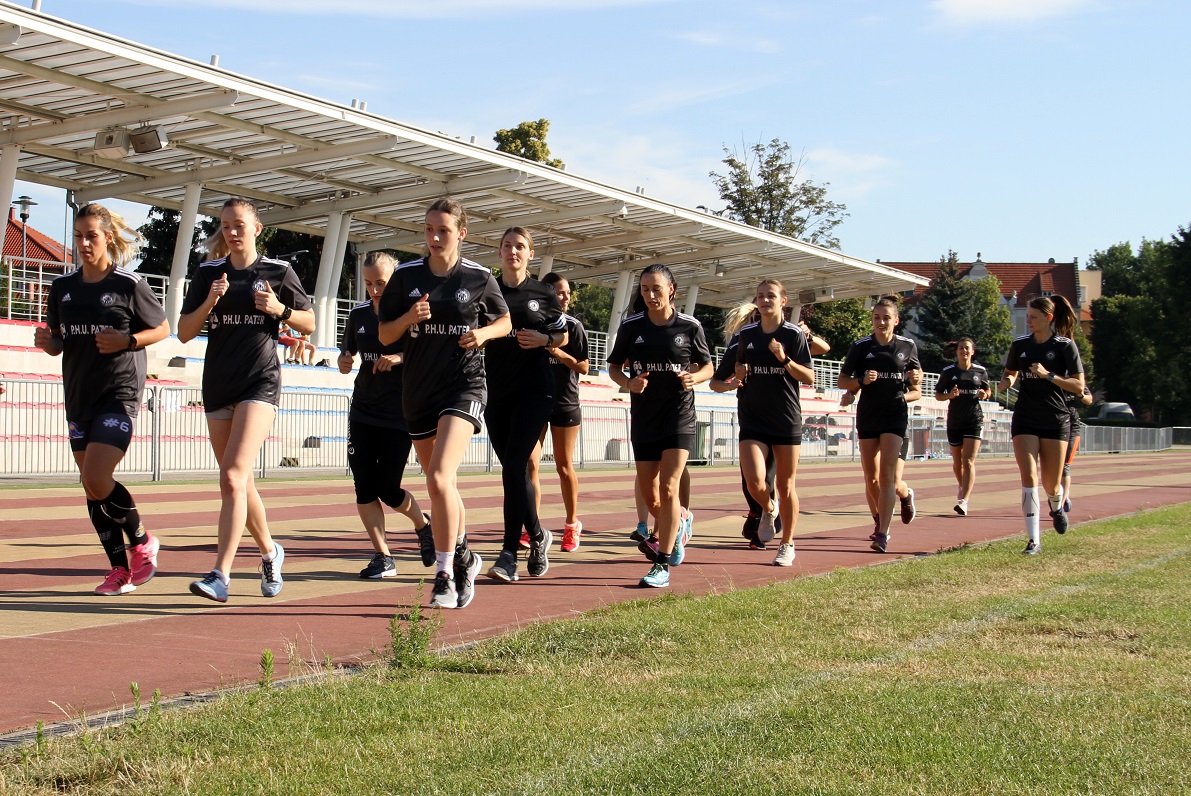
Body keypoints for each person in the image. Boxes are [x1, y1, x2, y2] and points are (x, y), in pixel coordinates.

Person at [179, 197, 315, 602]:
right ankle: (271, 552)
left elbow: (310, 322)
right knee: (238, 482)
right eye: (225, 225)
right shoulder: (208, 273)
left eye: (239, 224)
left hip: (260, 383)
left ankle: (220, 574)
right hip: (219, 384)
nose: (232, 232)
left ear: (257, 228)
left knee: (234, 476)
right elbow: (185, 332)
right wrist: (210, 301)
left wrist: (280, 309)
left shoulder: (277, 271)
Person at [377, 198, 510, 608]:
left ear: (461, 233)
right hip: (418, 390)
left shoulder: (479, 278)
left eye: (443, 230)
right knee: (442, 487)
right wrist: (407, 320)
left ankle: (445, 575)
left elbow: (505, 322)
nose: (434, 237)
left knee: (437, 478)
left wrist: (484, 335)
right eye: (429, 229)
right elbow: (384, 335)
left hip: (464, 386)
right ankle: (466, 554)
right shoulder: (405, 276)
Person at [34, 203, 170, 595]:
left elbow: (161, 328)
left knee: (96, 476)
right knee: (91, 486)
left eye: (91, 235)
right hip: (79, 397)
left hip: (119, 394)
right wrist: (49, 343)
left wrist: (127, 340)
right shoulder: (63, 288)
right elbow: (58, 340)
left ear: (108, 237)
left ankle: (142, 540)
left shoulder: (128, 284)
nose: (83, 243)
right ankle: (118, 570)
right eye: (78, 236)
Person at [607, 265, 713, 588]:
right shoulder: (631, 327)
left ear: (671, 290)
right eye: (644, 289)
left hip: (678, 416)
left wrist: (695, 377)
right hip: (644, 418)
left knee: (669, 487)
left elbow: (708, 365)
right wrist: (629, 383)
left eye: (656, 288)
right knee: (652, 496)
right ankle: (680, 521)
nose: (650, 295)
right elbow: (613, 368)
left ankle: (661, 563)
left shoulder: (689, 327)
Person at [338, 252, 433, 579]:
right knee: (364, 487)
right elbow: (347, 353)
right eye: (368, 283)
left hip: (400, 412)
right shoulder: (359, 314)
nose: (374, 289)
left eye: (381, 282)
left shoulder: (412, 314)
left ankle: (423, 526)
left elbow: (427, 358)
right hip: (363, 409)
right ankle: (383, 556)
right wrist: (344, 361)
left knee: (388, 489)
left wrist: (398, 358)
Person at [482, 228, 567, 584]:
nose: (513, 251)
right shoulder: (485, 290)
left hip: (534, 392)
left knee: (515, 466)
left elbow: (563, 335)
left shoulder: (543, 294)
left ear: (530, 254)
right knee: (513, 471)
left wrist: (545, 339)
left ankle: (507, 554)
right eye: (507, 246)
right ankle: (538, 534)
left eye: (520, 247)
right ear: (499, 252)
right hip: (495, 393)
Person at [726, 280, 815, 566]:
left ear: (783, 301)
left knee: (787, 485)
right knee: (754, 482)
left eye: (771, 296)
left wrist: (784, 358)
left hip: (785, 419)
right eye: (761, 296)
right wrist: (735, 378)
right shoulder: (746, 334)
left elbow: (809, 377)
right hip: (753, 419)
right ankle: (768, 508)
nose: (765, 300)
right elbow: (719, 380)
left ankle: (787, 543)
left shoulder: (792, 335)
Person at [998, 296, 1085, 554]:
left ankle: (1056, 505)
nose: (1029, 321)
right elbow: (1010, 371)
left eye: (1034, 317)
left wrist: (1048, 374)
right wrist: (1007, 381)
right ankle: (1034, 540)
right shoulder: (1020, 345)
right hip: (1025, 417)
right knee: (1029, 476)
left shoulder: (1065, 346)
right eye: (1028, 317)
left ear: (1048, 318)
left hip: (1055, 419)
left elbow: (1079, 386)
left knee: (1051, 483)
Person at [837, 297, 921, 554]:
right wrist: (862, 380)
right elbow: (843, 381)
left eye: (886, 318)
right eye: (877, 318)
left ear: (896, 320)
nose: (881, 322)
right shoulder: (861, 346)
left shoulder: (907, 346)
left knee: (887, 476)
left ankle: (883, 533)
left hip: (894, 416)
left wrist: (906, 390)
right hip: (868, 415)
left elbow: (916, 389)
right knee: (871, 477)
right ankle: (884, 513)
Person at [526, 271, 590, 553]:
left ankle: (571, 524)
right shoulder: (533, 324)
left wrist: (556, 352)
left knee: (564, 467)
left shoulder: (574, 327)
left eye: (566, 293)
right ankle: (532, 527)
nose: (563, 298)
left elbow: (584, 367)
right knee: (530, 465)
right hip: (537, 401)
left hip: (565, 403)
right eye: (557, 292)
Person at [935, 338, 991, 516]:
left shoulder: (980, 371)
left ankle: (964, 501)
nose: (963, 351)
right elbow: (938, 395)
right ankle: (962, 485)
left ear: (972, 351)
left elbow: (987, 391)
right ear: (956, 351)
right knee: (957, 463)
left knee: (968, 461)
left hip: (974, 420)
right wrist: (950, 395)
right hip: (954, 421)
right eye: (961, 348)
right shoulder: (948, 372)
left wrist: (985, 394)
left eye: (967, 348)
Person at [1061, 383, 1094, 512]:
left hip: (1072, 426)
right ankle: (1057, 494)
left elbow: (1089, 399)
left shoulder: (1074, 378)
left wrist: (1079, 394)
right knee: (1053, 466)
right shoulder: (1048, 374)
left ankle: (1062, 503)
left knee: (1065, 465)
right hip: (1053, 424)